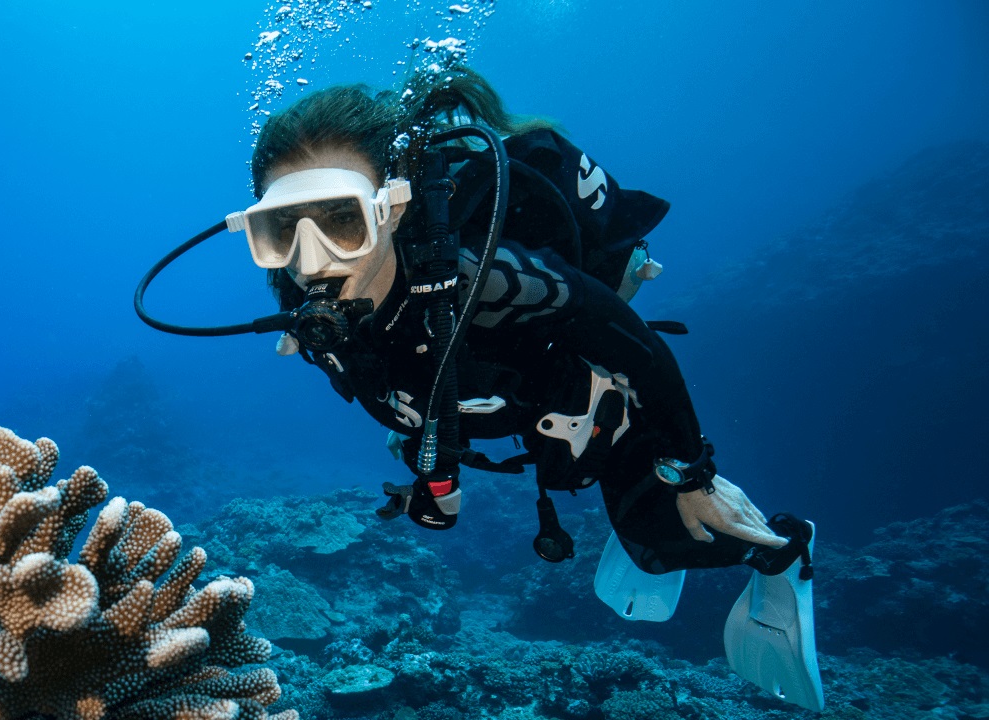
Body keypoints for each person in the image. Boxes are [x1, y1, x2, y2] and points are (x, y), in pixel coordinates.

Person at [233, 66, 824, 710]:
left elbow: (639, 345)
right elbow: (398, 380)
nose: (312, 258)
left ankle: (786, 553)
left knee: (663, 544)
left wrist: (691, 473)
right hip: (480, 403)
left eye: (341, 222)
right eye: (283, 228)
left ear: (392, 207)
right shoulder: (301, 298)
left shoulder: (494, 280)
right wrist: (430, 461)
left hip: (571, 401)